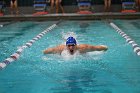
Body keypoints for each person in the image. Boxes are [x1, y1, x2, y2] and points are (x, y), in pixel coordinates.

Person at [43, 37, 108, 55]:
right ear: (66, 46)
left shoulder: (83, 48)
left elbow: (96, 48)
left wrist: (105, 48)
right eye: (69, 46)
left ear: (76, 45)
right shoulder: (60, 49)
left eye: (73, 45)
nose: (71, 47)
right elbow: (46, 51)